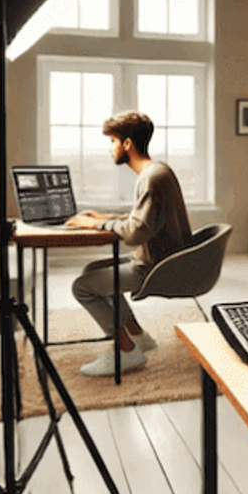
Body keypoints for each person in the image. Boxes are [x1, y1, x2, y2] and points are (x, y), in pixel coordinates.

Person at [67, 111, 193, 377]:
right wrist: (105, 217)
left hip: (156, 267)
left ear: (126, 144)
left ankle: (126, 352)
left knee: (82, 287)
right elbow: (143, 219)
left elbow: (135, 233)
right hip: (161, 259)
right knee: (93, 270)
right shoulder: (157, 171)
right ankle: (139, 336)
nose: (110, 149)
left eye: (112, 141)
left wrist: (96, 225)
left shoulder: (151, 178)